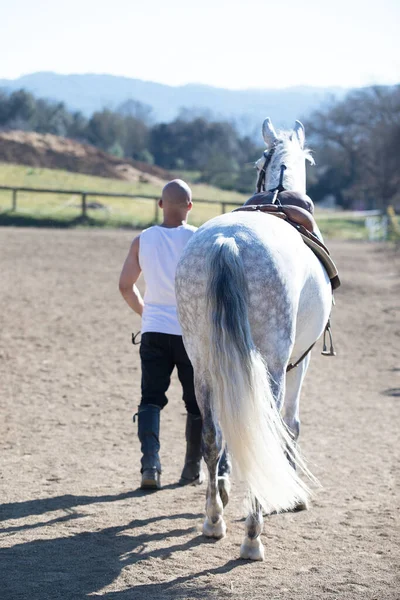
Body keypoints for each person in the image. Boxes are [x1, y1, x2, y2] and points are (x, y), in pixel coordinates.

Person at [118, 179, 203, 490]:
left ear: (160, 205)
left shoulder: (143, 239)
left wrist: (148, 314)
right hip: (190, 334)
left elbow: (125, 286)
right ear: (190, 207)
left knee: (150, 399)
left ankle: (150, 466)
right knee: (196, 403)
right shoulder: (200, 239)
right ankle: (192, 469)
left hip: (154, 331)